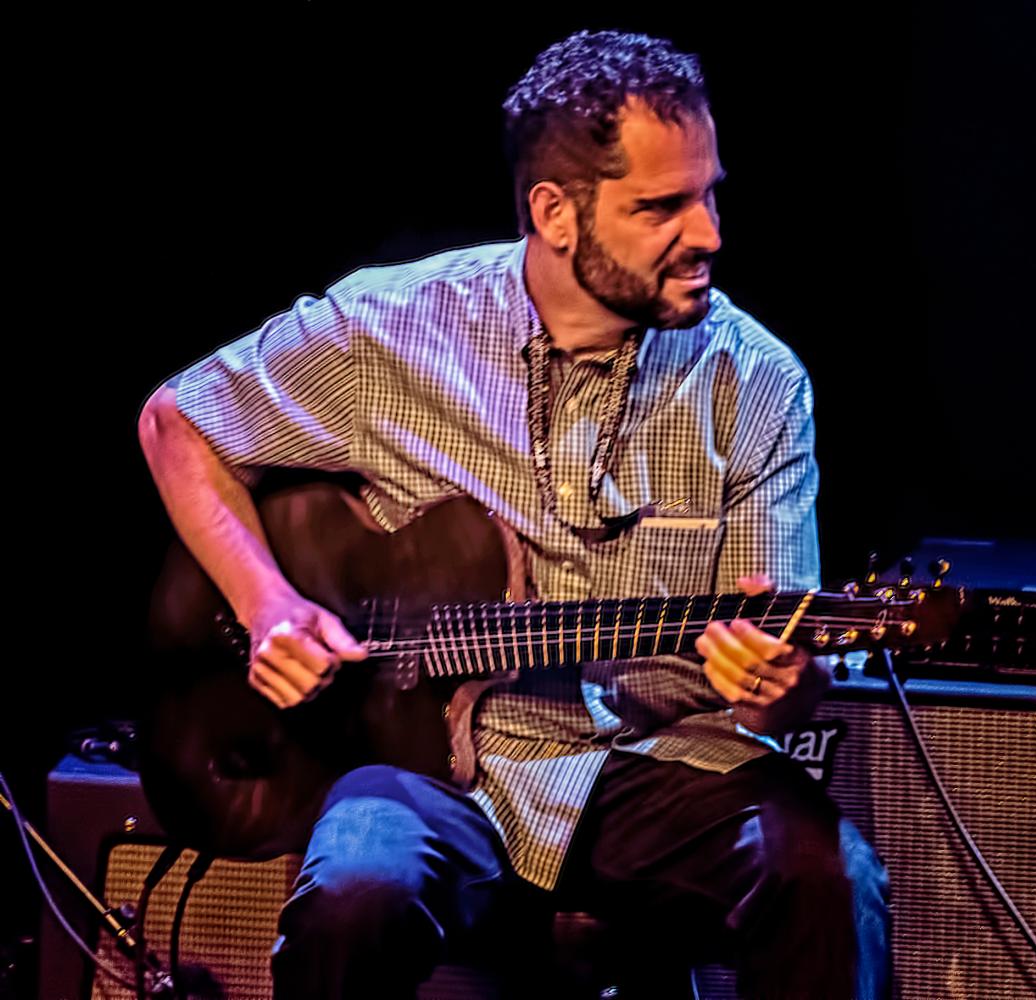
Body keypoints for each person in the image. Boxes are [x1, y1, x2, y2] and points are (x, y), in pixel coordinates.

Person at [139, 29, 890, 1000]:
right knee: (356, 887)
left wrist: (782, 679)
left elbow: (777, 692)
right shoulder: (393, 328)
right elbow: (176, 424)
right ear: (556, 213)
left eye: (709, 192)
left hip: (659, 768)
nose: (707, 232)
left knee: (829, 879)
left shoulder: (756, 383)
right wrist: (268, 599)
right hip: (437, 774)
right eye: (661, 205)